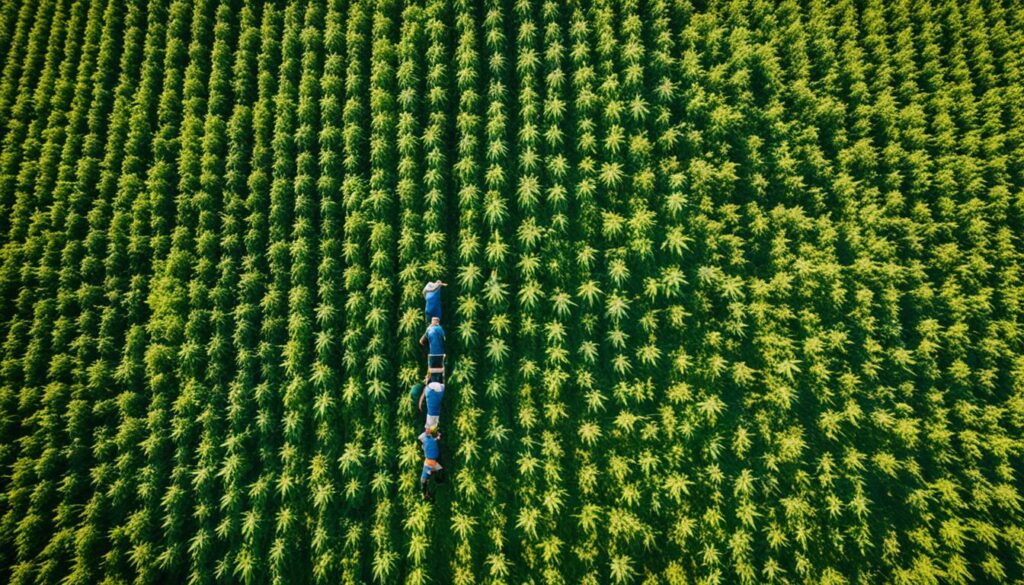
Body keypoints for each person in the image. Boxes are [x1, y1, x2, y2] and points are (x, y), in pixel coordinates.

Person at [419, 426, 443, 500]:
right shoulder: (434, 440)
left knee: (438, 471)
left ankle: (436, 480)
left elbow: (422, 442)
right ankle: (425, 495)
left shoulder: (427, 441)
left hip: (431, 462)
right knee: (424, 480)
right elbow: (439, 436)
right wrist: (439, 434)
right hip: (430, 463)